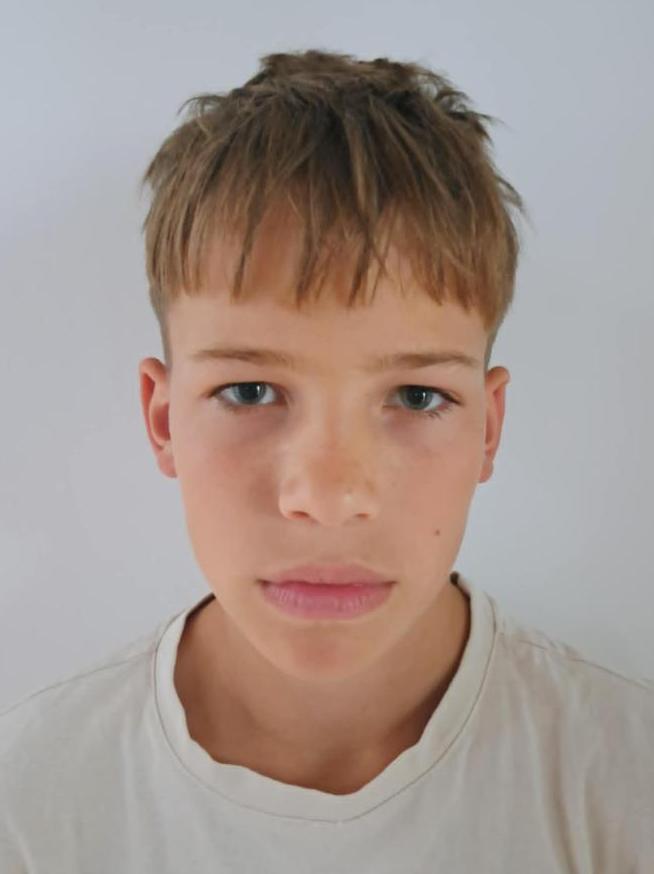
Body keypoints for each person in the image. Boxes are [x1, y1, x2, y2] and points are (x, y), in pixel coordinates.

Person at [1, 48, 652, 873]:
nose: (329, 496)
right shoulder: (31, 804)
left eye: (415, 396)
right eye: (249, 392)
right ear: (162, 420)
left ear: (488, 430)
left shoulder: (624, 782)